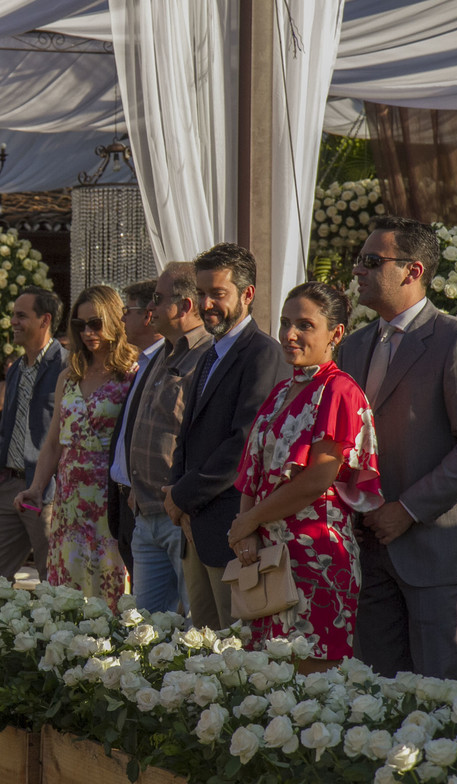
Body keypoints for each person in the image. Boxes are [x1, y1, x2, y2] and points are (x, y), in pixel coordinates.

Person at [336, 216, 457, 683]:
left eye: (371, 261)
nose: (358, 271)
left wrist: (407, 509)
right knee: (373, 698)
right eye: (359, 261)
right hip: (366, 550)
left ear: (412, 271)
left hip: (432, 550)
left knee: (441, 698)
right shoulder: (353, 348)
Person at [231, 282, 381, 670]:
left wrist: (249, 519)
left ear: (336, 333)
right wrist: (247, 529)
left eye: (304, 325)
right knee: (264, 679)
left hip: (316, 559)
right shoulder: (281, 391)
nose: (290, 334)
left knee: (311, 682)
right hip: (267, 556)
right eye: (284, 323)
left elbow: (318, 479)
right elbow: (253, 472)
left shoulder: (340, 391)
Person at [165, 243, 286, 629]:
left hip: (233, 530)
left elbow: (245, 444)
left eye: (217, 293)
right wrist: (176, 495)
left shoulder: (263, 354)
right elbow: (187, 435)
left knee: (233, 651)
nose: (206, 304)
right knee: (201, 648)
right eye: (200, 293)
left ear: (247, 294)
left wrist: (182, 494)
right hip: (194, 528)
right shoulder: (208, 354)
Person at [16, 285, 135, 603]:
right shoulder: (69, 376)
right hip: (69, 504)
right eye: (80, 325)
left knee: (112, 591)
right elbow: (54, 442)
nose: (87, 332)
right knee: (69, 595)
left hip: (110, 499)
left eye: (95, 323)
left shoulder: (132, 374)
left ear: (113, 320)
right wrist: (37, 488)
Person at [125, 265, 211, 614]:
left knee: (195, 629)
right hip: (146, 513)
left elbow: (205, 438)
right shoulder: (164, 352)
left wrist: (182, 498)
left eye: (158, 300)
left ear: (186, 305)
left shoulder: (207, 355)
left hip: (180, 515)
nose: (151, 309)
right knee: (145, 634)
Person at [0, 287, 66, 581]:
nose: (13, 322)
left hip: (46, 492)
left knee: (55, 582)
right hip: (7, 488)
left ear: (45, 320)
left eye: (21, 316)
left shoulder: (66, 366)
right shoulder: (15, 369)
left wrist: (46, 485)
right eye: (13, 315)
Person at [107, 279, 163, 578]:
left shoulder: (165, 361)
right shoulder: (142, 362)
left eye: (127, 310)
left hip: (146, 500)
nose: (121, 319)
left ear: (148, 315)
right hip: (125, 497)